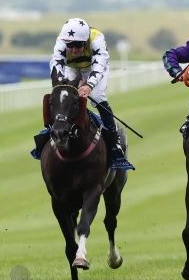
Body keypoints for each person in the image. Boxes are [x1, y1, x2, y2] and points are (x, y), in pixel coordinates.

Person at [36, 17, 135, 170]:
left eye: (78, 46)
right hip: (72, 67)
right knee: (62, 96)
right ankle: (49, 132)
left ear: (86, 40)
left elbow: (99, 65)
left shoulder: (97, 40)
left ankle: (115, 146)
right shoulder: (62, 41)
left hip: (93, 68)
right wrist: (62, 84)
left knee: (97, 97)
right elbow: (56, 63)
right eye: (71, 46)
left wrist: (89, 85)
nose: (74, 50)